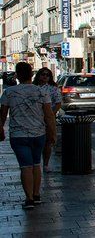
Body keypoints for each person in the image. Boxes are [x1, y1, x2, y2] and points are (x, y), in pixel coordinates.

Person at [0, 62, 57, 209]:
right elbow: (49, 115)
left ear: (17, 75)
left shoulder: (8, 92)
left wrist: (1, 129)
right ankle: (37, 195)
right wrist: (52, 133)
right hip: (39, 134)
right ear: (32, 75)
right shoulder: (41, 92)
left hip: (18, 135)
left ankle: (29, 199)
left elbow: (2, 115)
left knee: (25, 166)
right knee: (36, 164)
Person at [32, 68, 61, 172]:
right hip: (35, 118)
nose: (45, 76)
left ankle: (46, 164)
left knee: (48, 142)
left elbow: (58, 103)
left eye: (47, 75)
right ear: (38, 75)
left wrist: (51, 114)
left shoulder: (53, 88)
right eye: (43, 74)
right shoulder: (33, 88)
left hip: (48, 119)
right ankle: (35, 163)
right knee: (35, 142)